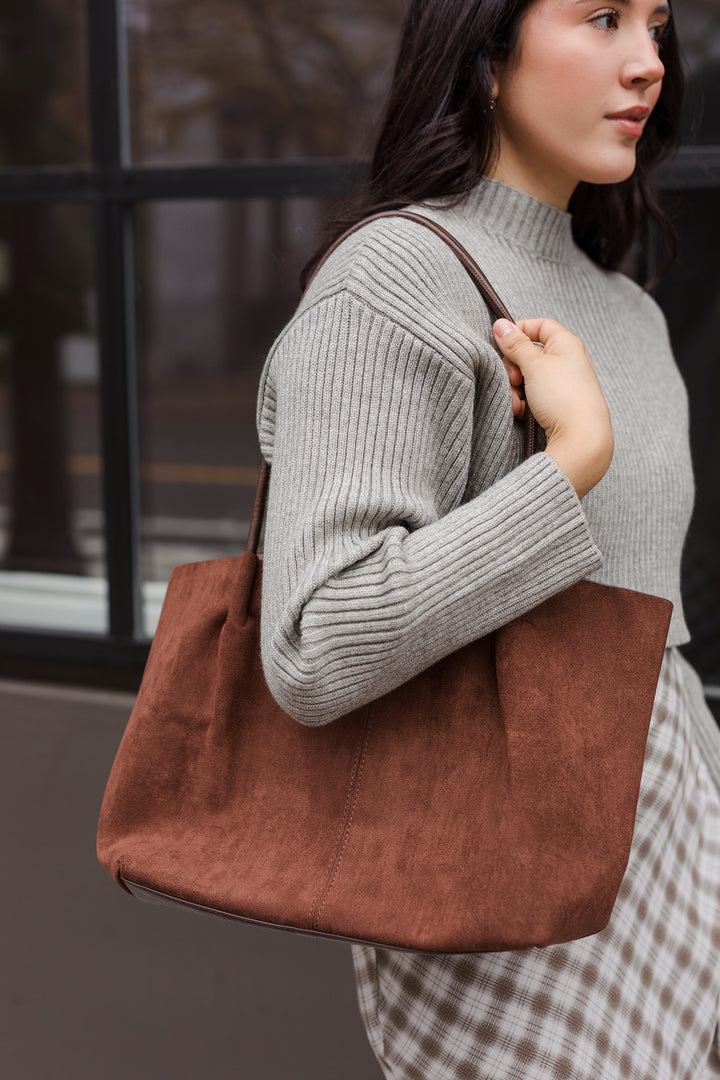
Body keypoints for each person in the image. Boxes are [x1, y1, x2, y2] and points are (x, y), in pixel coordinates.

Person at [255, 0, 720, 1075]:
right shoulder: (393, 282)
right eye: (602, 17)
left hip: (671, 866)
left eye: (657, 25)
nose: (647, 62)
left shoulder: (630, 310)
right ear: (484, 52)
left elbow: (656, 643)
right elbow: (317, 645)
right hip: (508, 901)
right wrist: (569, 466)